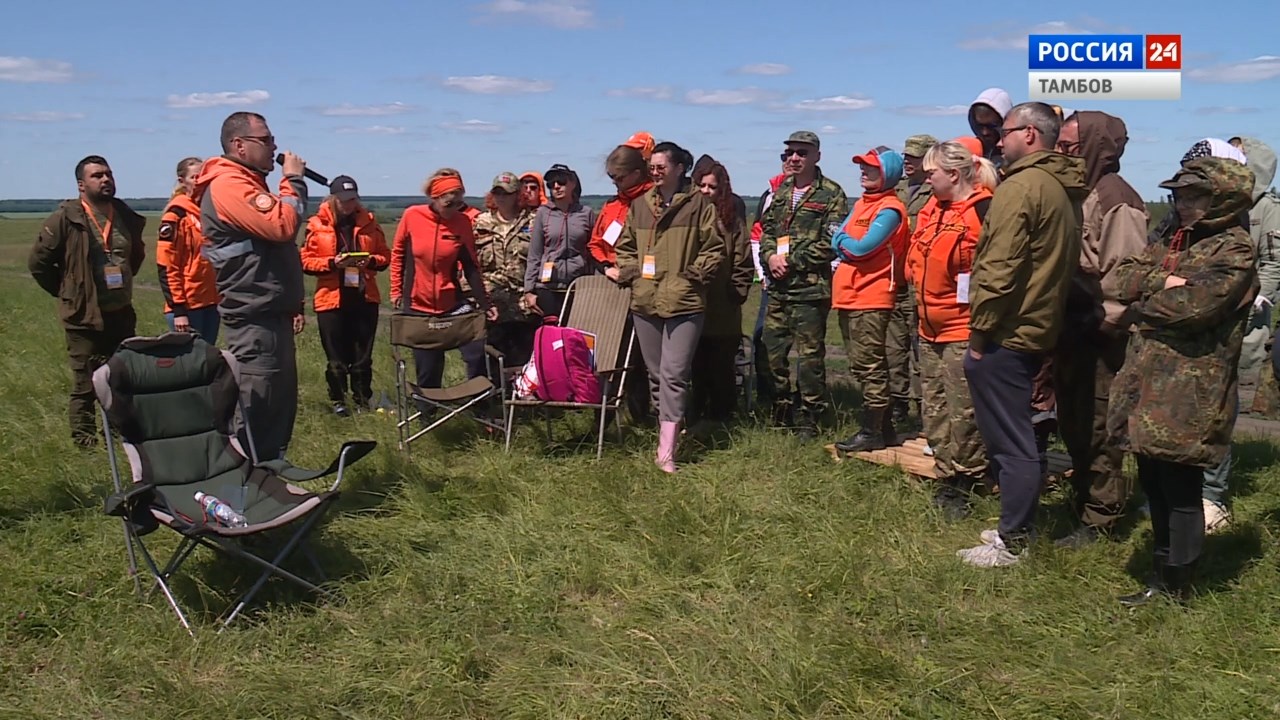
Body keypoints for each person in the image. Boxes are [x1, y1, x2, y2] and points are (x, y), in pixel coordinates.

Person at [1107, 157, 1258, 605]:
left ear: (1224, 198)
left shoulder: (1234, 249)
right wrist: (1164, 280)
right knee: (1152, 480)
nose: (1183, 203)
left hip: (1190, 390)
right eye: (1179, 195)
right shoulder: (1172, 236)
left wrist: (1146, 298)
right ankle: (1160, 574)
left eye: (1195, 195)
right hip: (1147, 381)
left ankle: (1179, 585)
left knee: (1181, 487)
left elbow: (1193, 308)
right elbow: (1122, 276)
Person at [956, 102, 1085, 568]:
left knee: (1011, 442)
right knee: (1021, 437)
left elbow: (998, 268)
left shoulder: (1021, 187)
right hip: (1037, 324)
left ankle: (1013, 539)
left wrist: (978, 338)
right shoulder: (1060, 186)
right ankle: (1017, 524)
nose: (999, 140)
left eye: (1006, 132)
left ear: (1029, 134)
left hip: (1007, 332)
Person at [1050, 111, 1148, 548]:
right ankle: (1083, 498)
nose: (1062, 153)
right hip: (1071, 326)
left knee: (1100, 427)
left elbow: (1124, 280)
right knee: (1072, 421)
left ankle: (1101, 518)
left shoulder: (1117, 201)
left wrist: (1098, 327)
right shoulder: (1079, 193)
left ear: (1095, 149)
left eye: (1070, 147)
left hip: (1101, 335)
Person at [191, 112, 307, 461]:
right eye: (266, 140)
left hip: (269, 311)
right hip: (254, 313)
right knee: (259, 397)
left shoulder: (247, 182)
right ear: (239, 145)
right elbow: (282, 226)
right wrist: (293, 182)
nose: (274, 147)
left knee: (277, 399)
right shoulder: (229, 185)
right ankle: (245, 480)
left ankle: (268, 471)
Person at [614, 141, 725, 472]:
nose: (656, 173)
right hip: (646, 301)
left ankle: (667, 453)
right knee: (656, 376)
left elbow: (714, 248)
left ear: (680, 169)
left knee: (674, 375)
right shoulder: (640, 206)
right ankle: (670, 433)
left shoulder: (699, 206)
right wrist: (633, 274)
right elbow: (625, 246)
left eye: (662, 167)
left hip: (684, 302)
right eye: (653, 168)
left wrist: (691, 277)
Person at [906, 140, 998, 518]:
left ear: (955, 174)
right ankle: (946, 472)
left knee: (965, 411)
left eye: (932, 172)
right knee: (936, 406)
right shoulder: (932, 209)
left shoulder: (984, 210)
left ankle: (969, 478)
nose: (926, 177)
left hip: (964, 327)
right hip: (929, 325)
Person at [29, 155, 146, 447]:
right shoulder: (66, 218)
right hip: (84, 318)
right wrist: (69, 293)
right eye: (97, 176)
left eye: (108, 174)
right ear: (82, 185)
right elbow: (38, 264)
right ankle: (85, 444)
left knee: (121, 379)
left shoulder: (124, 215)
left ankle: (120, 437)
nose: (105, 179)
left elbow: (134, 256)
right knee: (85, 384)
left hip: (120, 312)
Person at [758, 130, 850, 438]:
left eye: (801, 153)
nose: (794, 158)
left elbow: (832, 242)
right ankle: (781, 409)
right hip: (779, 288)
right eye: (789, 153)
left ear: (817, 156)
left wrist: (791, 260)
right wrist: (770, 257)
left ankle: (810, 415)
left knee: (809, 358)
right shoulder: (781, 190)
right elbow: (766, 231)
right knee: (771, 352)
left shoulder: (831, 194)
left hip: (810, 290)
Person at [391, 169, 497, 398]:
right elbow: (398, 254)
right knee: (428, 368)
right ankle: (428, 413)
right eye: (449, 204)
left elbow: (471, 267)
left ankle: (480, 407)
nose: (454, 209)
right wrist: (396, 289)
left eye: (460, 204)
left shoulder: (462, 223)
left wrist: (485, 303)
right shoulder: (412, 216)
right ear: (435, 198)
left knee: (476, 351)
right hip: (418, 304)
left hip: (452, 303)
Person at [831, 146, 910, 452]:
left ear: (887, 173)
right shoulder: (864, 203)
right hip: (851, 295)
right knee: (862, 364)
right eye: (863, 167)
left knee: (870, 366)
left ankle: (871, 431)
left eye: (871, 168)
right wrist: (843, 241)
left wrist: (842, 241)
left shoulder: (889, 210)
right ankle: (885, 428)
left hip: (871, 296)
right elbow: (840, 238)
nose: (863, 171)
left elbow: (859, 248)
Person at [300, 174, 390, 416]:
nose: (348, 204)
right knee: (336, 357)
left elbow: (385, 256)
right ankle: (338, 401)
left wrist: (369, 260)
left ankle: (362, 400)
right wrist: (332, 263)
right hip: (331, 298)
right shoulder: (316, 225)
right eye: (343, 200)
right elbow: (305, 261)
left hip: (364, 297)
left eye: (352, 199)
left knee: (363, 356)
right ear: (332, 199)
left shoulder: (369, 222)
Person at [591, 136, 658, 424]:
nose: (614, 183)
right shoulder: (611, 206)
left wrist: (630, 271)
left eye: (618, 177)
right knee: (606, 353)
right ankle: (602, 415)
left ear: (636, 173)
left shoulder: (653, 200)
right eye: (611, 177)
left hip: (643, 286)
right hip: (610, 286)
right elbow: (595, 243)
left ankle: (643, 415)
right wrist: (606, 266)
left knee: (642, 357)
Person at [689, 160, 754, 427]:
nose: (706, 191)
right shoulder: (685, 220)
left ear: (721, 189)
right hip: (691, 303)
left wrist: (736, 293)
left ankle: (722, 419)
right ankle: (694, 416)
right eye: (701, 185)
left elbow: (743, 260)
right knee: (695, 366)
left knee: (721, 367)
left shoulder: (731, 222)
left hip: (722, 306)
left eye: (711, 186)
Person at [887, 134, 937, 432]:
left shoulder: (937, 191)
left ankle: (926, 413)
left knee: (923, 352)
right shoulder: (897, 190)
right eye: (906, 156)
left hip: (922, 282)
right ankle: (896, 408)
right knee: (894, 350)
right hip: (896, 281)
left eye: (915, 157)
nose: (908, 161)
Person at [474, 171, 541, 368]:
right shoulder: (480, 222)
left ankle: (520, 396)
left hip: (523, 304)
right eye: (497, 193)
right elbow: (470, 262)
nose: (501, 198)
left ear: (518, 195)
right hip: (492, 303)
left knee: (524, 359)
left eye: (507, 193)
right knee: (491, 359)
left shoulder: (534, 221)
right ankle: (494, 397)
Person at [156, 157, 220, 343]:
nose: (199, 181)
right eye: (194, 177)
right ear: (182, 181)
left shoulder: (208, 213)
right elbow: (167, 266)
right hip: (187, 306)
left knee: (209, 361)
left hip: (210, 302)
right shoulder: (175, 216)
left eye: (203, 176)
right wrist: (179, 310)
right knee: (191, 365)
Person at [523, 163, 596, 321]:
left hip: (578, 285)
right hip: (547, 286)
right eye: (551, 183)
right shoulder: (543, 213)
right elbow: (535, 253)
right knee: (552, 335)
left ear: (573, 183)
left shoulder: (586, 213)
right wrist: (529, 290)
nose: (556, 186)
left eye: (561, 181)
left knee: (575, 333)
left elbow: (593, 251)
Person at [967, 88, 1013, 167]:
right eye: (980, 126)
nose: (985, 132)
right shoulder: (969, 152)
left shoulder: (1016, 153)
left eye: (992, 126)